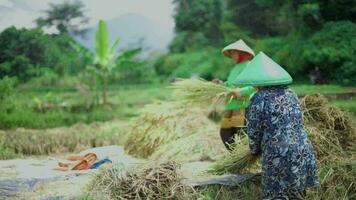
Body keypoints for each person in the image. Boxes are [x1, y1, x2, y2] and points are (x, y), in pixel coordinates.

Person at [234, 52, 319, 200]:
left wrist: (254, 150)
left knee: (275, 194)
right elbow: (299, 120)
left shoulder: (258, 98)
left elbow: (254, 129)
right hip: (302, 148)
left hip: (278, 152)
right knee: (296, 192)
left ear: (259, 81)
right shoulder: (291, 93)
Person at [218, 39, 256, 150]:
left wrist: (240, 91)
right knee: (225, 134)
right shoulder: (235, 68)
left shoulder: (249, 66)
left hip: (242, 106)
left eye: (234, 52)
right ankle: (236, 159)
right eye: (231, 53)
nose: (232, 55)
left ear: (241, 53)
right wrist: (220, 84)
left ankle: (241, 159)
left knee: (240, 134)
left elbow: (254, 86)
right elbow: (230, 84)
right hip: (231, 106)